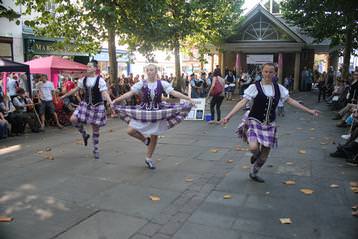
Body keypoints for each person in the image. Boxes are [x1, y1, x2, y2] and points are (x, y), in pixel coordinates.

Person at [221, 63, 320, 183]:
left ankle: (254, 172)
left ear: (275, 73)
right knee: (253, 147)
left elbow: (291, 101)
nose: (268, 74)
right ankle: (255, 155)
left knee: (265, 155)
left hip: (269, 124)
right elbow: (242, 103)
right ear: (262, 72)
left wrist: (309, 111)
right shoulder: (254, 87)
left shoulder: (279, 88)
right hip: (254, 121)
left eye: (271, 72)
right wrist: (228, 117)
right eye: (266, 71)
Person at [112, 64, 195, 169]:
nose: (150, 72)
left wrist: (188, 98)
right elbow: (130, 93)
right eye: (148, 70)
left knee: (154, 135)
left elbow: (174, 92)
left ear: (156, 71)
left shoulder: (162, 83)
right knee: (130, 131)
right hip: (144, 111)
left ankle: (148, 158)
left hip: (157, 112)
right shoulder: (142, 83)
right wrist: (116, 100)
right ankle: (145, 140)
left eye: (152, 70)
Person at [60, 61, 113, 160]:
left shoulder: (100, 80)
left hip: (97, 105)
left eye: (89, 67)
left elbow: (104, 93)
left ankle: (96, 149)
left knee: (95, 128)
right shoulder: (83, 80)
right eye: (87, 66)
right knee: (73, 119)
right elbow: (75, 90)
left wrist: (110, 102)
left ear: (94, 68)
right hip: (85, 104)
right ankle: (84, 134)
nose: (87, 68)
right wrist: (64, 95)